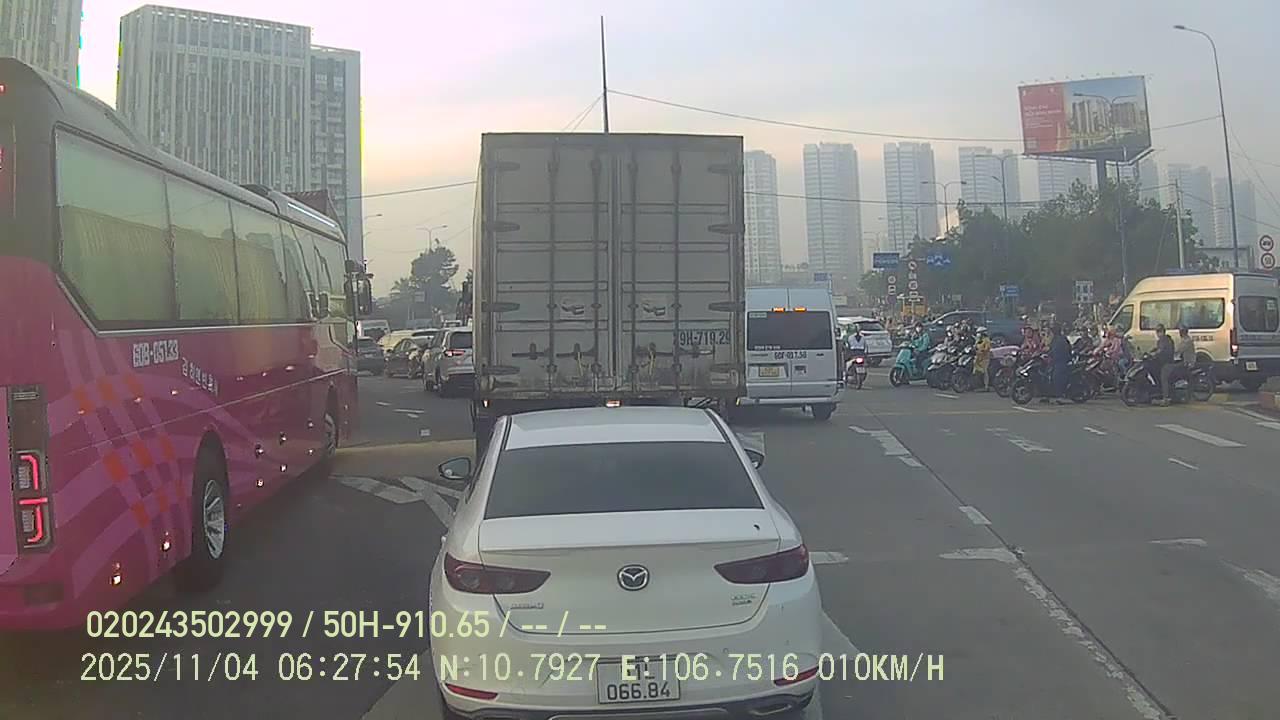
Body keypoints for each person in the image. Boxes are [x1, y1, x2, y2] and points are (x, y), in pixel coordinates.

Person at [1158, 325, 1196, 405]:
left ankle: (1165, 398)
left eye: (1181, 331)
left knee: (1165, 372)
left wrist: (1165, 351)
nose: (1180, 333)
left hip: (1186, 363)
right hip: (1183, 361)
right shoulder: (1185, 340)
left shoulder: (1186, 341)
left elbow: (1178, 350)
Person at [1047, 323, 1072, 405]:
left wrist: (1051, 356)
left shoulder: (1061, 340)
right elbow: (1050, 349)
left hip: (1061, 361)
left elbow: (1059, 351)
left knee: (1057, 378)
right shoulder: (1055, 339)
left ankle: (1060, 396)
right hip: (1056, 361)